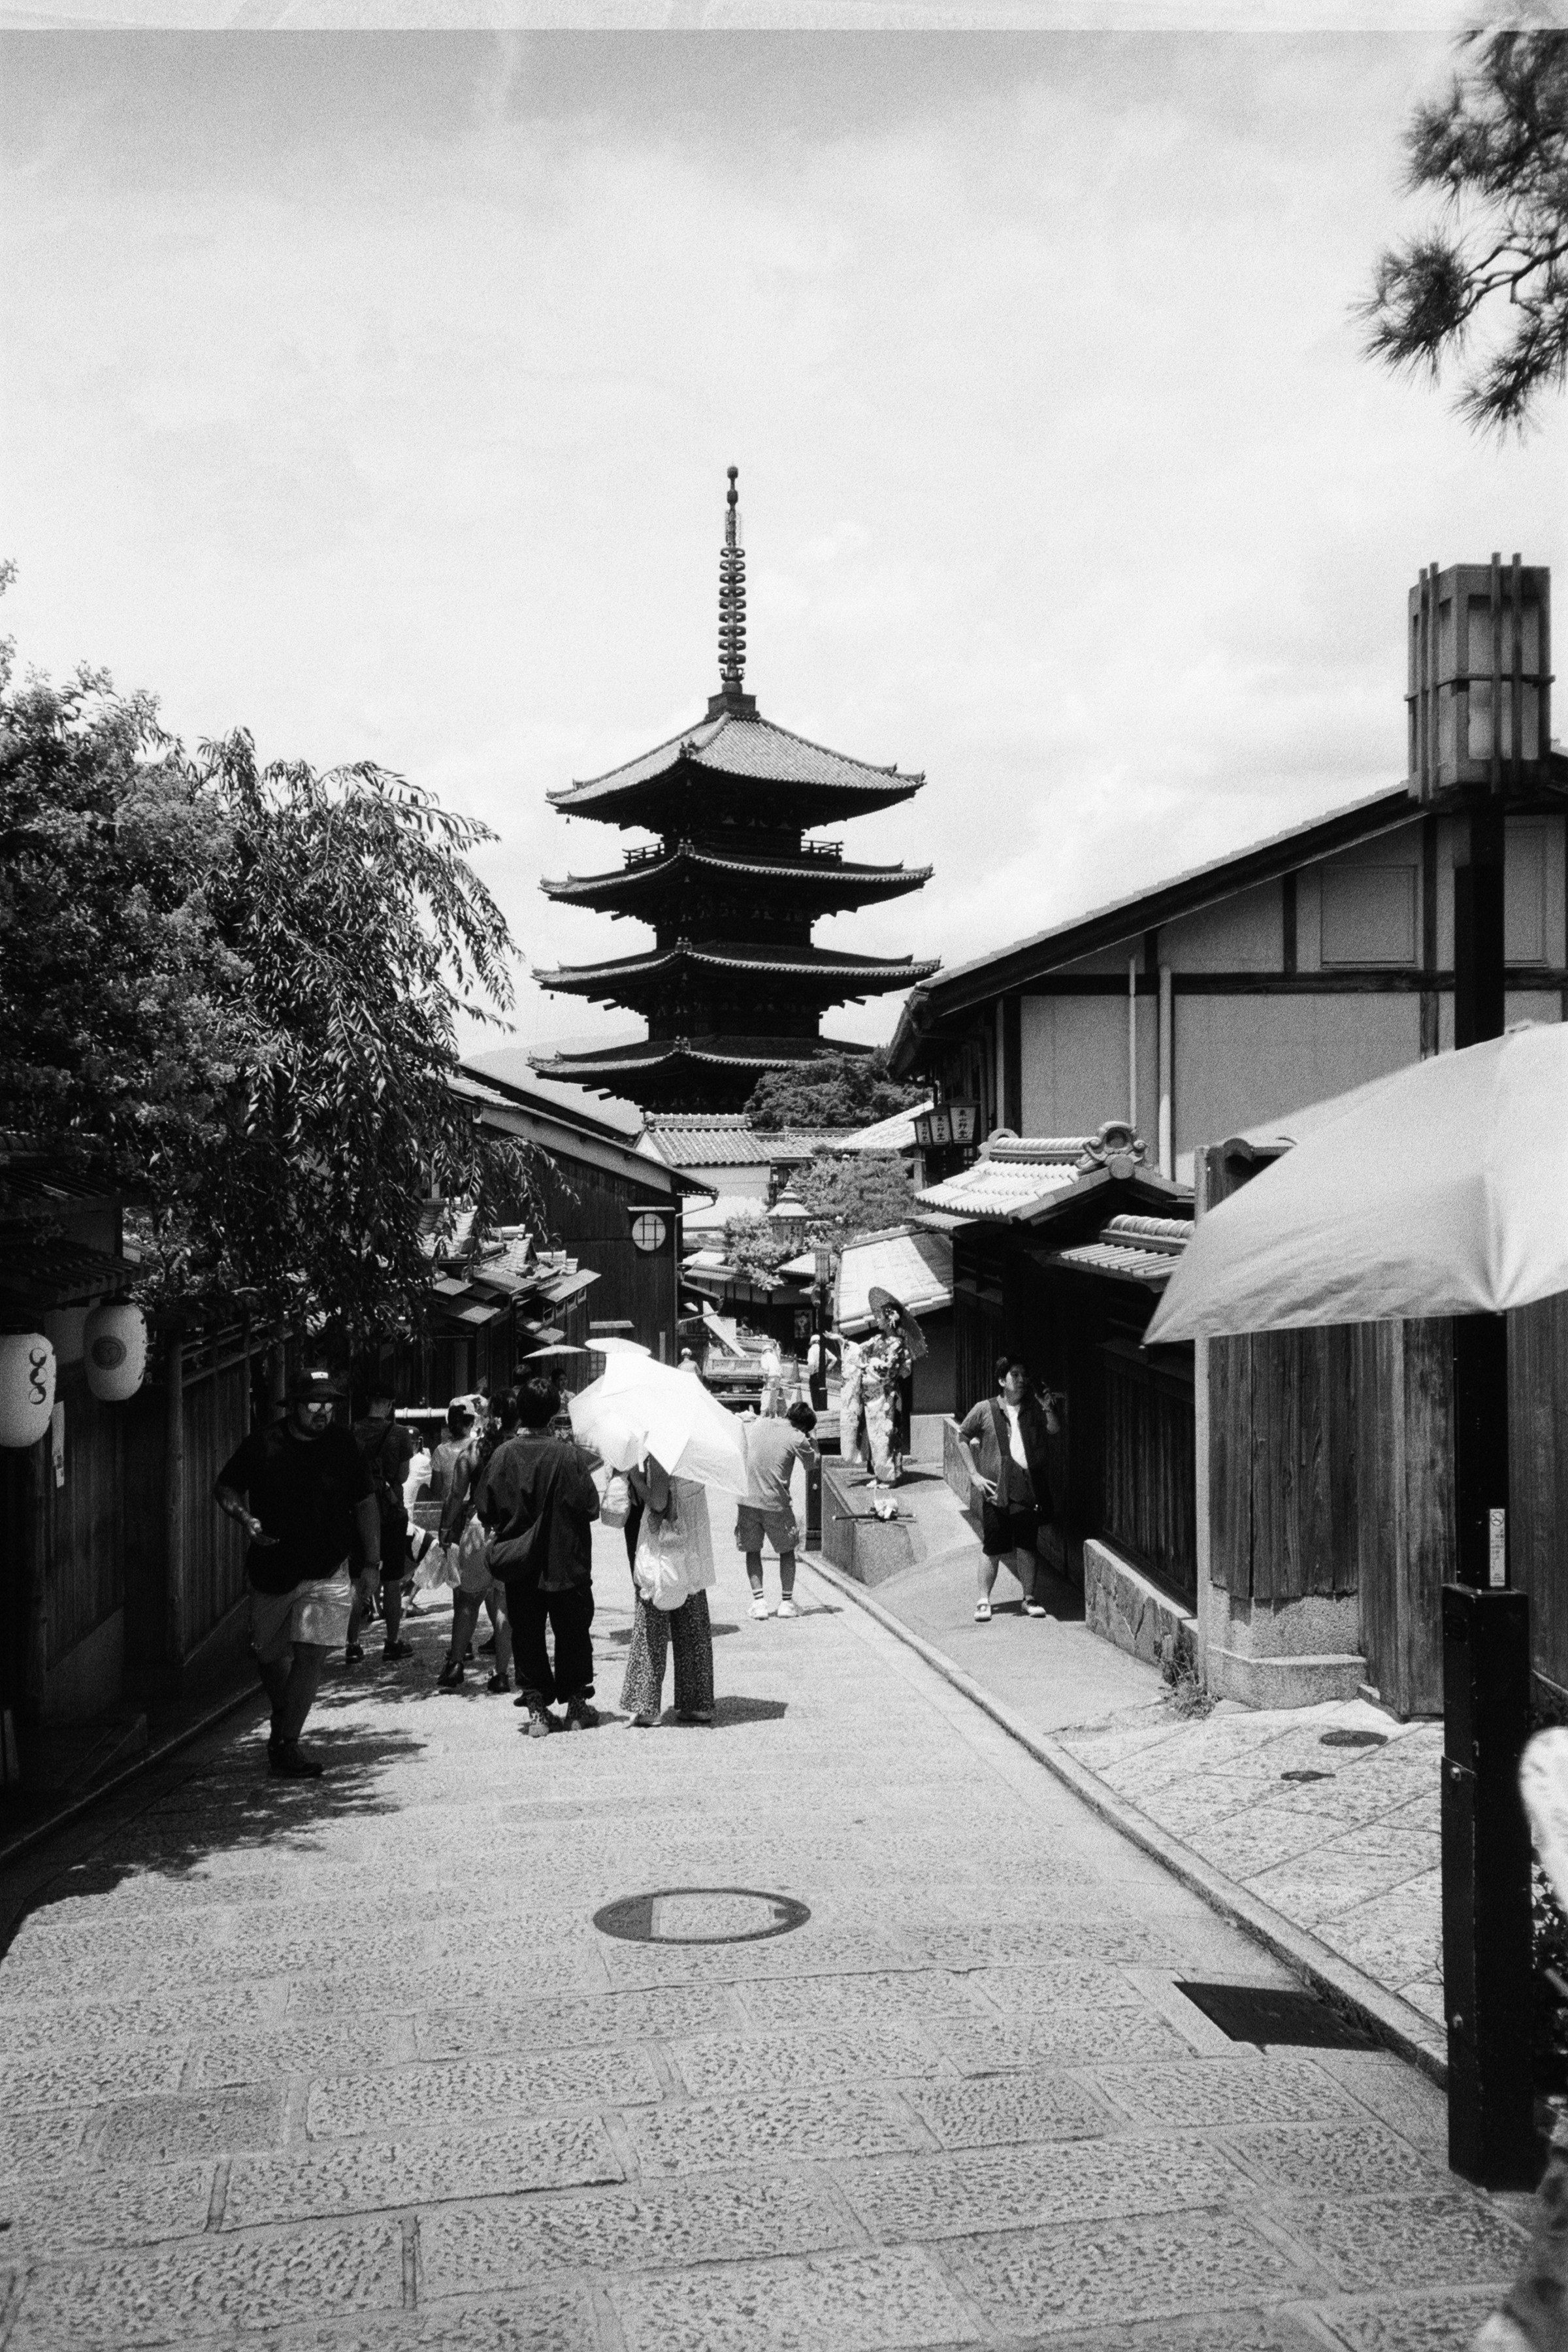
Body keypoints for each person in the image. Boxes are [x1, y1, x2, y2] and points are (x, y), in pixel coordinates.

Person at [213, 1367, 378, 1778]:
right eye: (314, 1403)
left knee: (310, 1655)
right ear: (295, 1406)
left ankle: (286, 1743)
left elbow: (366, 1504)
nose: (323, 1411)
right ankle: (285, 1715)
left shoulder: (345, 1445)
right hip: (274, 1568)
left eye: (330, 1404)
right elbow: (226, 1487)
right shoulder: (264, 1444)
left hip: (328, 1568)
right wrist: (245, 1519)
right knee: (270, 1658)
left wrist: (372, 1564)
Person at [482, 1376, 602, 1737]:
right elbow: (591, 1507)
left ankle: (537, 1711)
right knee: (574, 1632)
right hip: (567, 1562)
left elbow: (487, 1509)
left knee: (528, 1634)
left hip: (522, 1566)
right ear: (554, 1413)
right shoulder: (568, 1455)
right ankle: (577, 1706)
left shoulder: (503, 1455)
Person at [958, 1355, 1060, 1624]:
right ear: (1003, 1380)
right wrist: (974, 1475)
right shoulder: (986, 1409)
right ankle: (983, 1600)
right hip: (997, 1490)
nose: (1022, 1380)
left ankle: (1029, 1597)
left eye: (1024, 1375)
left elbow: (1054, 1429)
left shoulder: (1033, 1408)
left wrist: (1046, 1406)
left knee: (1027, 1544)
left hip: (1028, 1489)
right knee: (993, 1546)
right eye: (1015, 1375)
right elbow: (962, 1436)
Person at [621, 1454, 717, 1727]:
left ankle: (646, 1704)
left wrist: (636, 1479)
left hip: (662, 1547)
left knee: (651, 1621)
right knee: (694, 1624)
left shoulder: (662, 1448)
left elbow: (659, 1500)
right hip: (693, 1542)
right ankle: (697, 1702)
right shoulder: (693, 1447)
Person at [436, 1392, 515, 1694]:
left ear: (487, 1416)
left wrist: (445, 1529)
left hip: (478, 1532)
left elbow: (455, 1495)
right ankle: (501, 1673)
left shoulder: (473, 1450)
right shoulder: (518, 1450)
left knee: (468, 1602)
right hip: (511, 1534)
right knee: (505, 1604)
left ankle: (456, 1664)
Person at [344, 1387, 415, 1666]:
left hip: (359, 1513)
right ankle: (392, 1642)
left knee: (356, 1579)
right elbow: (403, 1475)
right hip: (391, 1512)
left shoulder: (351, 1432)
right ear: (387, 1404)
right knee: (393, 1580)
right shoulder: (399, 1434)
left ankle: (352, 1644)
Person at [737, 1401, 817, 1621]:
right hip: (776, 1503)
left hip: (746, 1499)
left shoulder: (760, 1424)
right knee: (787, 1550)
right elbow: (812, 1465)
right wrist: (813, 1443)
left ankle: (759, 1603)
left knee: (752, 1550)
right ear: (803, 1427)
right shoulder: (797, 1436)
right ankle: (786, 1603)